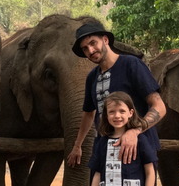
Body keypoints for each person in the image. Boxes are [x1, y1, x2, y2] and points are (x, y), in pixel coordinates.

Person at [68, 21, 166, 167]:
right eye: (85, 49)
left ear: (105, 40)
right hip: (106, 149)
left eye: (93, 43)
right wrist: (77, 145)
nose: (91, 50)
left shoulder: (132, 65)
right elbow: (89, 113)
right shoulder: (92, 78)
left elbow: (159, 106)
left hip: (138, 149)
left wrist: (135, 132)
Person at [88, 92, 157, 186]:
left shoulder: (140, 140)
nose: (117, 115)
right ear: (106, 115)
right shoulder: (102, 142)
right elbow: (98, 173)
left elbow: (150, 172)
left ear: (130, 113)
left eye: (122, 111)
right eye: (112, 111)